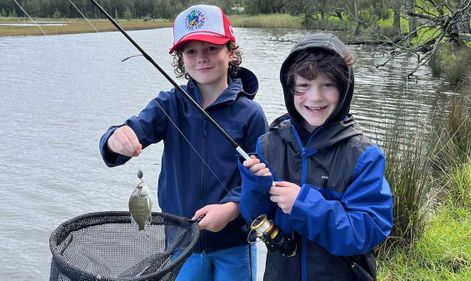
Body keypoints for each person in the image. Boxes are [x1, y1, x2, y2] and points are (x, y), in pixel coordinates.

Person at [99, 5, 268, 281]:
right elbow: (131, 131)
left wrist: (231, 208)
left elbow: (259, 178)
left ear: (231, 51)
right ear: (181, 58)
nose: (201, 58)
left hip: (235, 244)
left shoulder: (251, 114)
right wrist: (114, 139)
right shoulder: (169, 104)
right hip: (180, 243)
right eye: (191, 51)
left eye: (211, 48)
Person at [238, 33, 393, 281]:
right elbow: (253, 216)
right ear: (290, 89)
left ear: (344, 89)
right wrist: (254, 186)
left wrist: (303, 205)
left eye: (327, 85)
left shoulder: (364, 156)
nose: (315, 97)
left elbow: (366, 232)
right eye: (304, 86)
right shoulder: (268, 144)